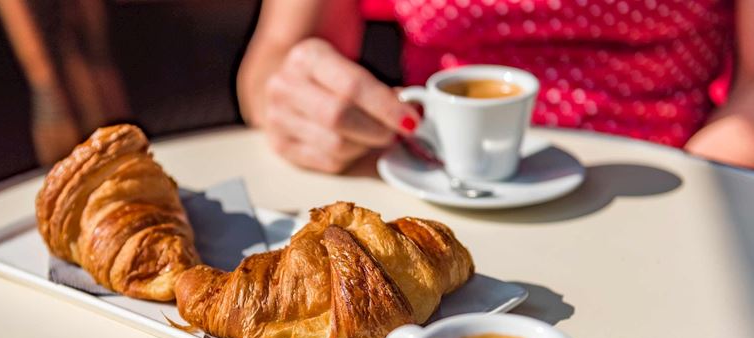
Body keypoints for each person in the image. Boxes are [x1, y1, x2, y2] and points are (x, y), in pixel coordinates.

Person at [237, 0, 754, 173]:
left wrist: (703, 184)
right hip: (436, 182)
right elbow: (278, 55)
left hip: (662, 176)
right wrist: (300, 99)